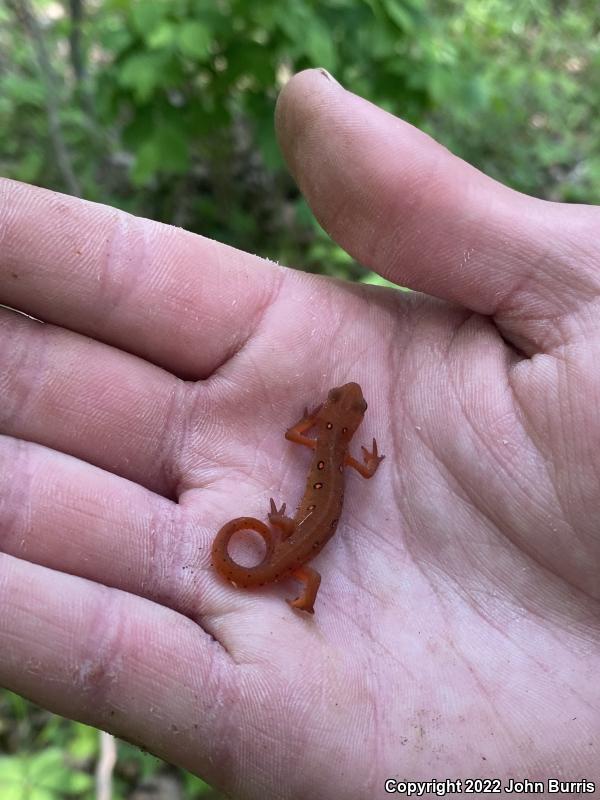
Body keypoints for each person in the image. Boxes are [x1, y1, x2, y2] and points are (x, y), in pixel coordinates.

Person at [0, 68, 598, 799]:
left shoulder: (324, 449)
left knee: (295, 538)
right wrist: (344, 461)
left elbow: (308, 442)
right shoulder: (336, 454)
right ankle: (299, 596)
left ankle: (297, 589)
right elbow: (356, 468)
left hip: (291, 545)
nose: (347, 414)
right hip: (291, 549)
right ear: (346, 427)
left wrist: (319, 449)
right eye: (349, 414)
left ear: (337, 425)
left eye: (344, 412)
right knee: (295, 541)